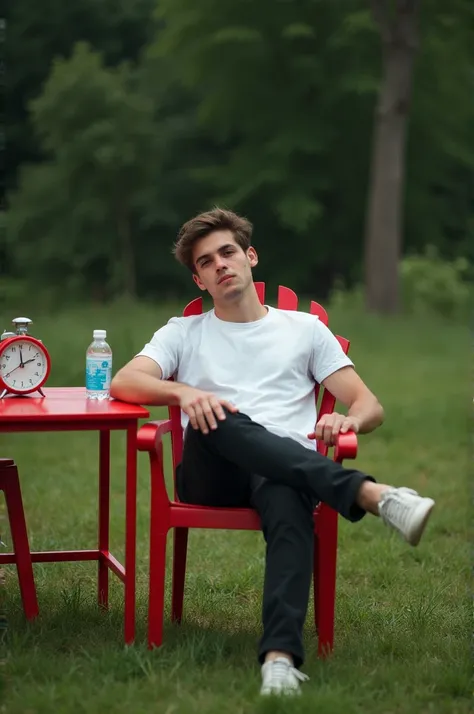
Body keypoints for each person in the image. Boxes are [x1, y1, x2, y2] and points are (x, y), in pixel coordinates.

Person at [110, 207, 435, 697]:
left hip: (282, 469)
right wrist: (185, 395)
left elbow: (369, 404)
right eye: (205, 262)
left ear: (250, 257)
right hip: (211, 471)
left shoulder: (304, 330)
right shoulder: (183, 332)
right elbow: (125, 381)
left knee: (286, 488)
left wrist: (349, 419)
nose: (220, 264)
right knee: (219, 414)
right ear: (199, 280)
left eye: (227, 252)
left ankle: (280, 660)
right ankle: (370, 494)